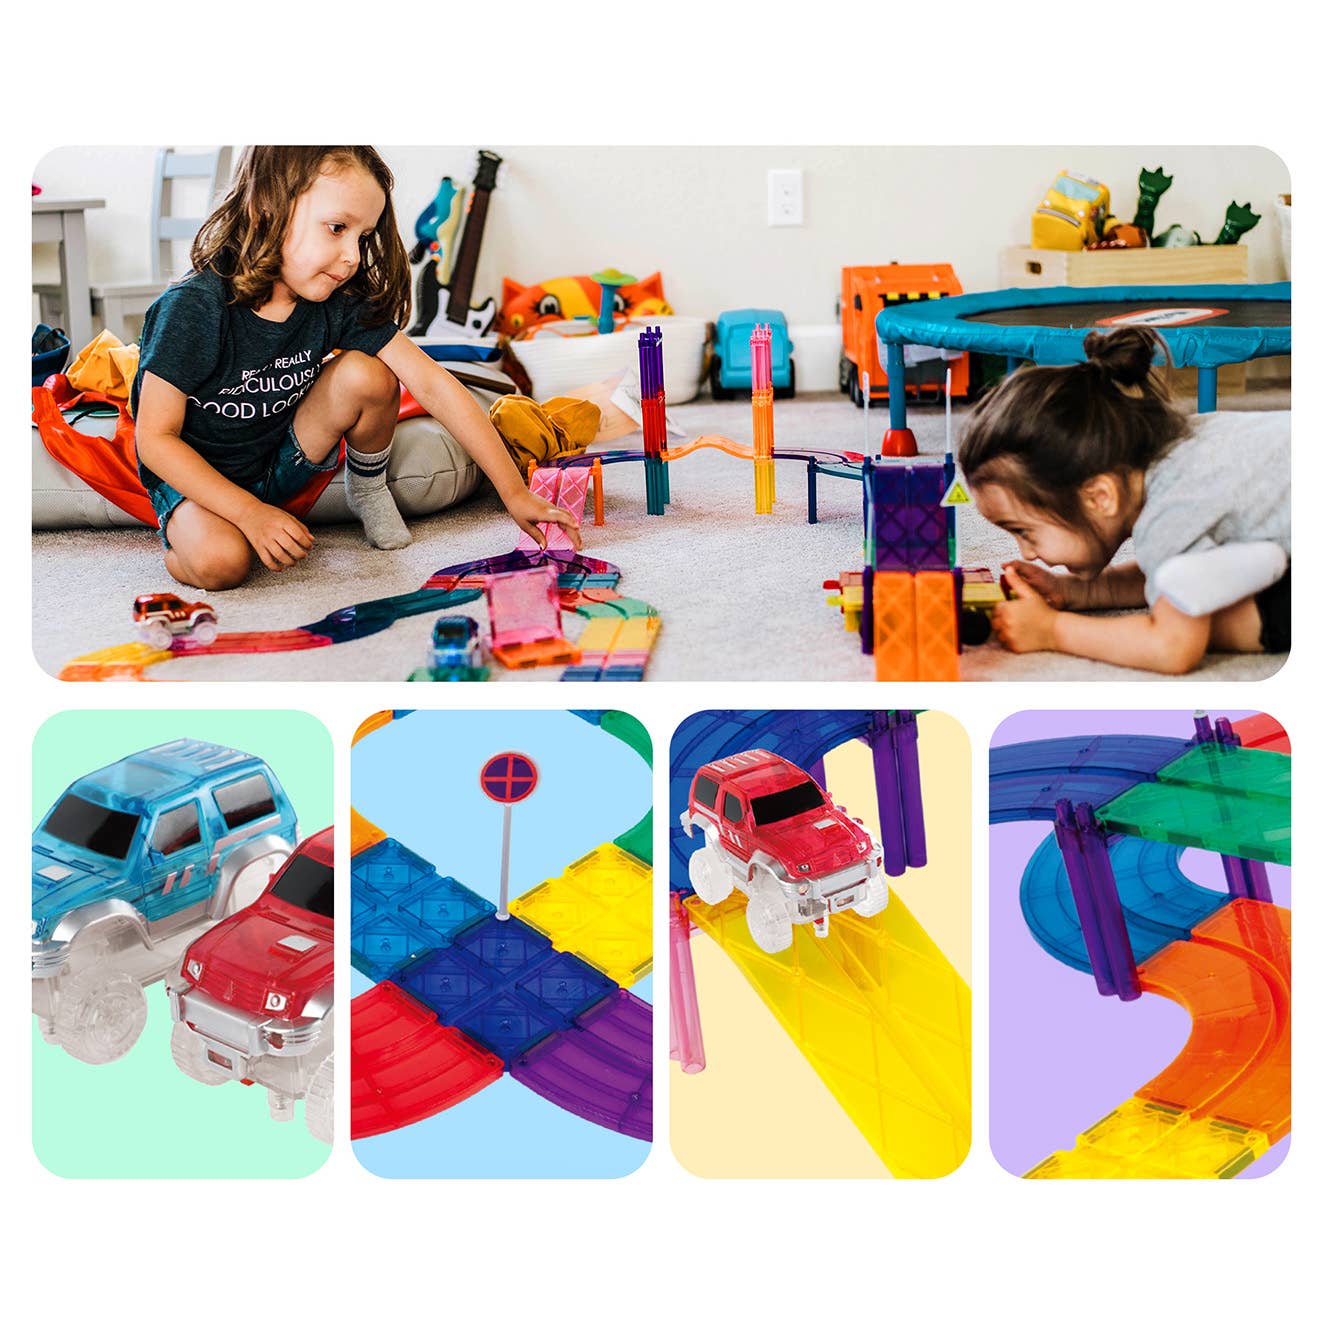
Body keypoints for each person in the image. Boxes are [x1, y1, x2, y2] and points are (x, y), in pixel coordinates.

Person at [132, 146, 578, 590]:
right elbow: (154, 440)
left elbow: (434, 384)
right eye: (337, 228)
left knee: (368, 372)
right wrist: (248, 513)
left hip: (280, 461)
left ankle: (366, 487)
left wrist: (514, 493)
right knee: (221, 564)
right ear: (268, 207)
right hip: (196, 479)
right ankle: (181, 542)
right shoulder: (193, 307)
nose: (353, 257)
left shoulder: (335, 303)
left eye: (362, 238)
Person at [958, 326, 1289, 673]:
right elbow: (1165, 571)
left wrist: (1052, 630)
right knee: (1181, 589)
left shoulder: (1170, 511)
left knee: (1219, 620)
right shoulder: (1178, 458)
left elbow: (1171, 648)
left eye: (1024, 531)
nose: (1025, 551)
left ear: (1100, 497)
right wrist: (1077, 591)